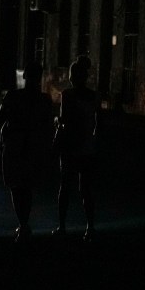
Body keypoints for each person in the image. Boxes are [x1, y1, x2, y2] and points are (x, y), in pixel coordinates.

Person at [0, 61, 53, 244]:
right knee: (27, 186)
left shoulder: (13, 96)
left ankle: (22, 223)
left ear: (25, 76)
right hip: (33, 147)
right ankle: (24, 223)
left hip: (14, 144)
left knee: (15, 185)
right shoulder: (45, 100)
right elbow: (47, 127)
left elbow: (0, 117)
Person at [54, 56, 98, 242]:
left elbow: (64, 120)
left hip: (70, 145)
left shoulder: (67, 95)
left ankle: (62, 226)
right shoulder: (94, 96)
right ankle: (90, 226)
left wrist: (56, 121)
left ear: (72, 77)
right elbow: (99, 122)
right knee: (86, 189)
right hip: (87, 145)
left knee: (65, 187)